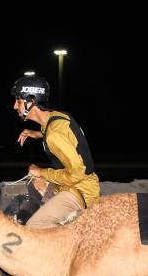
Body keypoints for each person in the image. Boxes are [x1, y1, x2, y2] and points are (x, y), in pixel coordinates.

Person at [11, 75, 99, 228]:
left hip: (80, 191)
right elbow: (62, 134)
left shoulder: (54, 135)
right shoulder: (57, 117)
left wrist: (41, 172)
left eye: (18, 101)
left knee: (34, 226)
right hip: (79, 184)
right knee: (33, 186)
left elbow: (77, 174)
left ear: (31, 102)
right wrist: (37, 134)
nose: (14, 106)